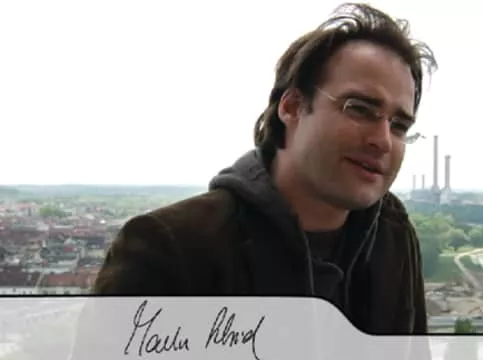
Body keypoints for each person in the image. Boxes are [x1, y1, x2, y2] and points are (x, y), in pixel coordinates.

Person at [93, 2, 437, 336]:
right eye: (359, 108)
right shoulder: (170, 250)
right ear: (292, 107)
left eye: (399, 126)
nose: (383, 140)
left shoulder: (392, 233)